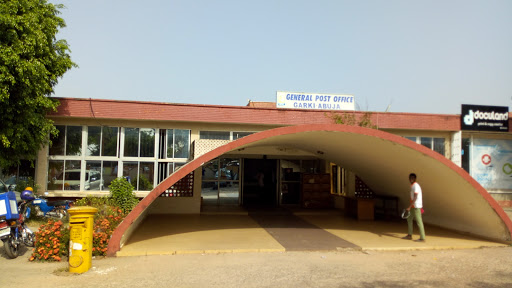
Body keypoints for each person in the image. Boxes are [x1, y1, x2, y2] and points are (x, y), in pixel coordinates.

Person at [402, 173, 426, 242]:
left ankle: (422, 238)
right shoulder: (412, 185)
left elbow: (415, 197)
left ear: (415, 179)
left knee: (419, 221)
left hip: (416, 206)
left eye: (412, 178)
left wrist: (409, 207)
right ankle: (409, 235)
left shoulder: (415, 186)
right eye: (410, 178)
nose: (411, 179)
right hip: (414, 206)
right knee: (409, 219)